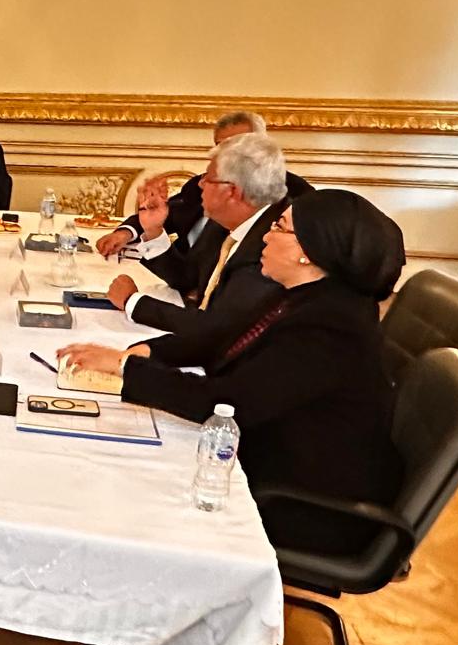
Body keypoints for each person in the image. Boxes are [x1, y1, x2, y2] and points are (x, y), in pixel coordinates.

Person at [57, 189, 406, 554]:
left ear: (309, 252)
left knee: (119, 491)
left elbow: (226, 403)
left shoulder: (331, 328)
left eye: (279, 227)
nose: (265, 236)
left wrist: (125, 368)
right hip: (274, 458)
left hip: (305, 502)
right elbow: (221, 337)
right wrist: (147, 351)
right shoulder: (306, 294)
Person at [109, 132, 293, 338]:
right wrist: (153, 230)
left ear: (232, 191)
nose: (200, 184)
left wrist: (133, 302)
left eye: (209, 179)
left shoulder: (276, 240)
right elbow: (189, 279)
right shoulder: (224, 224)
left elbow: (217, 327)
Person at [96, 111, 313, 258]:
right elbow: (166, 216)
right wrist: (126, 232)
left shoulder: (297, 197)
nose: (227, 153)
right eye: (221, 145)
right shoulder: (201, 185)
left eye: (237, 144)